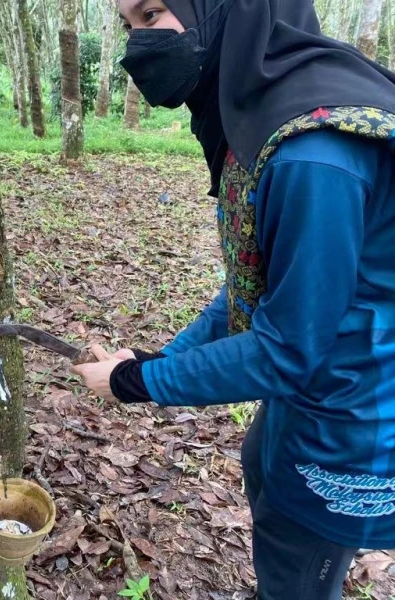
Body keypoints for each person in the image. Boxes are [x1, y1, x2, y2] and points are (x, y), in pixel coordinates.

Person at [71, 1, 395, 598]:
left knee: (297, 556)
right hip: (308, 394)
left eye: (150, 14)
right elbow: (253, 283)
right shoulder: (261, 114)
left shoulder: (313, 152)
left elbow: (287, 350)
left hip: (353, 415)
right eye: (128, 26)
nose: (137, 44)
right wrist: (154, 362)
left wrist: (136, 382)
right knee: (259, 469)